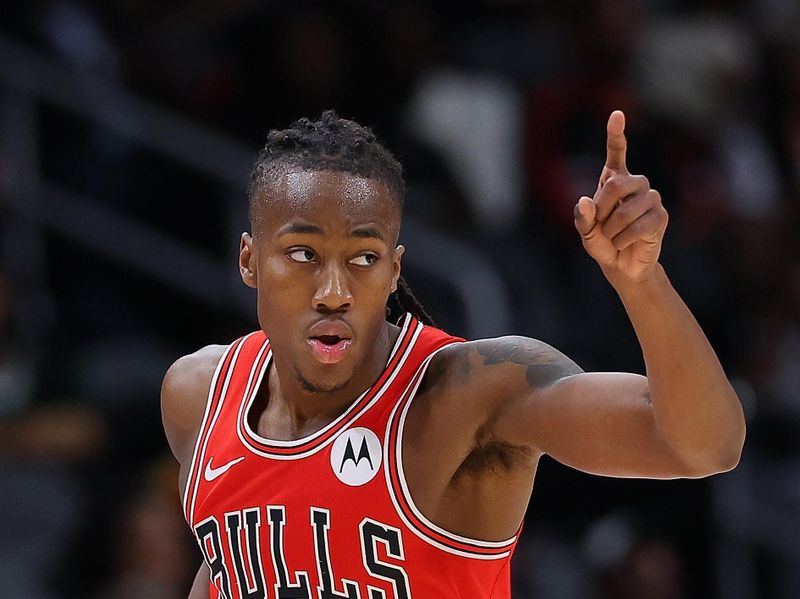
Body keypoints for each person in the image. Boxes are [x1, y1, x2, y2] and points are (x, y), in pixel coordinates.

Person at [161, 110, 746, 598]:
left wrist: (641, 283)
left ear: (394, 270)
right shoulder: (197, 395)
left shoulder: (470, 392)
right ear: (248, 261)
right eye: (302, 254)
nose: (334, 292)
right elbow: (229, 570)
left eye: (364, 258)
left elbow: (704, 446)